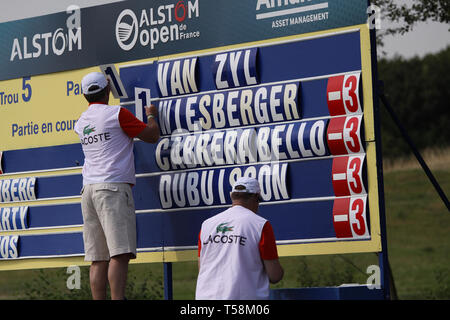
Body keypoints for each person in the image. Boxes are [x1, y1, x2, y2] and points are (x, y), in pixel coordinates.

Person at [74, 71, 160, 300]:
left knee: (98, 258)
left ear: (84, 95)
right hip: (111, 189)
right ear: (107, 89)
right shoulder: (116, 113)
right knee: (119, 254)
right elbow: (151, 136)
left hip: (88, 190)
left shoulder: (81, 122)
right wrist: (153, 116)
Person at [195, 177, 284, 300]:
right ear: (255, 197)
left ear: (233, 197)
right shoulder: (261, 224)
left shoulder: (207, 224)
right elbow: (274, 275)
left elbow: (203, 268)